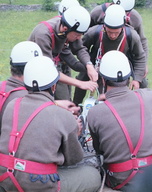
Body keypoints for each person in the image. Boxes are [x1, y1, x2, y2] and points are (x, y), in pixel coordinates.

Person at [0, 56, 101, 192]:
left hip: (5, 178)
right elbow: (73, 159)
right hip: (37, 184)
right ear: (54, 86)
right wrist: (75, 133)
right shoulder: (63, 116)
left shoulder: (13, 105)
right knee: (93, 175)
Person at [87, 51, 152, 192]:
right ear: (129, 78)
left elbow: (100, 151)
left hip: (120, 179)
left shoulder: (95, 113)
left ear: (103, 80)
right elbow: (140, 94)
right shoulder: (148, 97)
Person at [73, 4, 146, 105]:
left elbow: (140, 57)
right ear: (104, 25)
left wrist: (137, 79)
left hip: (121, 68)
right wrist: (88, 64)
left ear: (123, 26)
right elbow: (80, 47)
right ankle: (75, 107)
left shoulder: (132, 36)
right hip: (96, 65)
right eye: (109, 31)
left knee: (142, 85)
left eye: (116, 32)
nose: (112, 35)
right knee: (82, 79)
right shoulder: (94, 32)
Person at [28, 5, 98, 100]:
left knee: (67, 99)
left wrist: (89, 65)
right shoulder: (43, 35)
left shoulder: (69, 27)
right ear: (65, 29)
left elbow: (79, 49)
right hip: (38, 72)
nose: (79, 38)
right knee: (61, 101)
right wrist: (80, 83)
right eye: (77, 35)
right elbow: (48, 70)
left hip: (54, 64)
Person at [90, 0, 148, 76]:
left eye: (126, 11)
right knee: (84, 76)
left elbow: (142, 41)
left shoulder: (135, 18)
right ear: (113, 3)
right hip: (99, 51)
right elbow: (86, 34)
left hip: (125, 51)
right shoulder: (97, 13)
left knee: (142, 80)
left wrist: (144, 65)